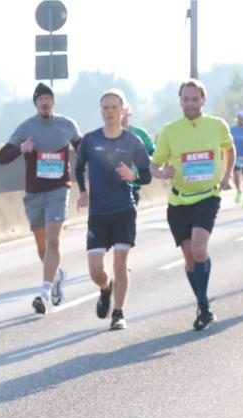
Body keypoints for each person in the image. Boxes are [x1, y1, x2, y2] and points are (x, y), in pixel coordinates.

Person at [149, 79, 234, 331]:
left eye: (195, 99)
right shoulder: (169, 130)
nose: (190, 104)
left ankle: (203, 304)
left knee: (199, 248)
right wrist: (163, 173)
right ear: (180, 101)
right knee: (189, 259)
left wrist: (227, 176)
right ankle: (203, 304)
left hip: (208, 196)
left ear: (203, 100)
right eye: (186, 99)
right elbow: (154, 165)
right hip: (179, 202)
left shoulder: (217, 125)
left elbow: (229, 149)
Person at [0, 83, 82, 314]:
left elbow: (83, 149)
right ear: (36, 103)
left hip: (59, 189)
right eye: (40, 99)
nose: (45, 102)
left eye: (48, 98)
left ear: (53, 102)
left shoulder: (67, 125)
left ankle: (43, 293)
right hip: (35, 192)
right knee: (42, 246)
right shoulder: (26, 127)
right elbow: (2, 157)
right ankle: (57, 275)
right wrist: (21, 149)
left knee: (54, 240)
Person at [76, 90, 152, 330]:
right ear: (101, 112)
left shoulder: (133, 142)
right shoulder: (90, 140)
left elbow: (147, 174)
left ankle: (118, 313)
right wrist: (82, 190)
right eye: (105, 108)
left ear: (123, 111)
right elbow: (79, 168)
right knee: (95, 269)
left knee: (120, 263)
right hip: (98, 213)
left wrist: (134, 175)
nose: (110, 112)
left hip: (124, 209)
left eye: (114, 107)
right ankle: (105, 287)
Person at [121, 103, 155, 206]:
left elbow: (154, 153)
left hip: (133, 185)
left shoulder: (140, 133)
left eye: (124, 111)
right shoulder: (106, 135)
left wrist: (147, 160)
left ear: (128, 112)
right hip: (113, 187)